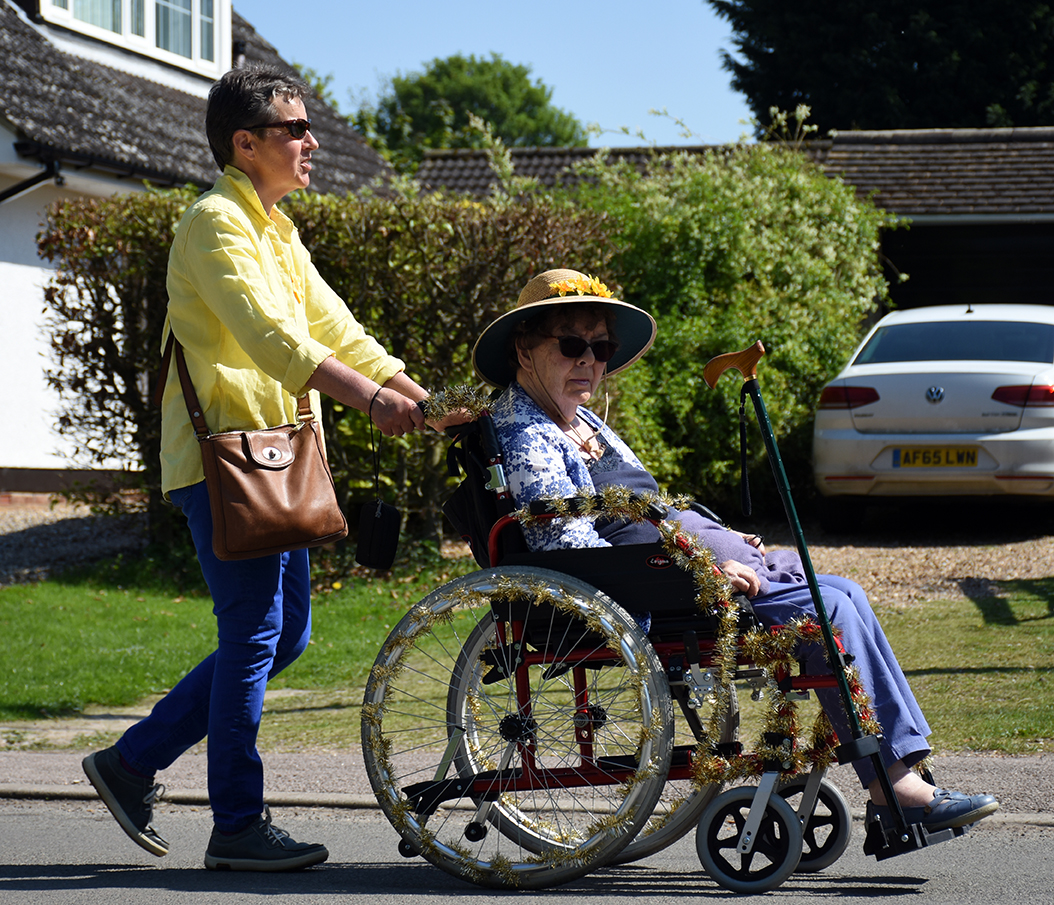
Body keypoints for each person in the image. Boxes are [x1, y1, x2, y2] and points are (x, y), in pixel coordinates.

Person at [470, 267, 999, 832]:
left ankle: (905, 773)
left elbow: (649, 506)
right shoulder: (528, 435)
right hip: (660, 591)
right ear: (524, 350)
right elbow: (570, 544)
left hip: (676, 573)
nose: (590, 361)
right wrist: (699, 568)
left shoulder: (576, 420)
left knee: (845, 592)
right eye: (572, 344)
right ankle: (893, 789)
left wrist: (712, 531)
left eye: (600, 347)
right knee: (830, 612)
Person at [82, 65, 451, 872]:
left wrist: (424, 399)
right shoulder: (215, 223)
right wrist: (369, 402)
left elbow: (339, 329)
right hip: (223, 465)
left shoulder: (278, 230)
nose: (312, 142)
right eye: (296, 129)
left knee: (283, 636)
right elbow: (269, 340)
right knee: (253, 632)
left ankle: (129, 761)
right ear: (245, 144)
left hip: (277, 457)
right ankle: (238, 823)